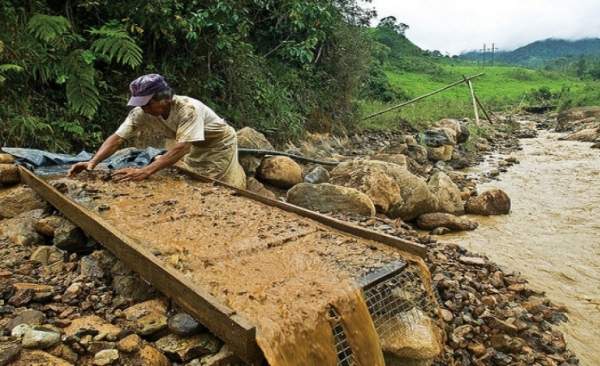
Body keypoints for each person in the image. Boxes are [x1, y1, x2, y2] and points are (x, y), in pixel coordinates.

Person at [68, 74, 246, 189]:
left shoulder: (188, 109)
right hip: (193, 144)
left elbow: (183, 147)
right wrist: (93, 162)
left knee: (217, 186)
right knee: (194, 179)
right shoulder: (141, 112)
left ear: (166, 98)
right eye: (140, 103)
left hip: (218, 143)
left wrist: (145, 171)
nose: (143, 108)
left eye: (147, 103)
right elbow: (117, 138)